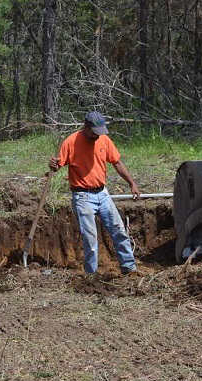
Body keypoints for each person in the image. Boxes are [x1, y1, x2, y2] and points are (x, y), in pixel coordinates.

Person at [48, 111, 142, 276]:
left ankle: (129, 269)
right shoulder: (71, 142)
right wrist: (53, 165)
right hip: (82, 197)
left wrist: (131, 183)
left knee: (119, 230)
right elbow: (58, 166)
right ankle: (91, 276)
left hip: (103, 194)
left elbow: (117, 162)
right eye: (95, 132)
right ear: (86, 127)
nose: (98, 136)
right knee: (90, 240)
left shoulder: (104, 140)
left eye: (100, 132)